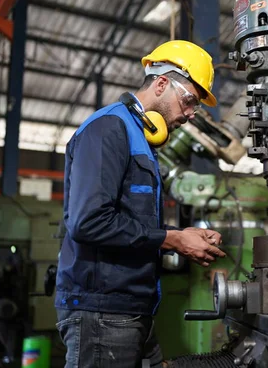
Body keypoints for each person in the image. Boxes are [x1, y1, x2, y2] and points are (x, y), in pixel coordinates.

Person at [54, 40, 226, 367]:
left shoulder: (139, 137)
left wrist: (180, 234)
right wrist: (172, 240)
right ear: (161, 83)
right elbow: (88, 221)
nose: (190, 115)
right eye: (189, 100)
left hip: (132, 308)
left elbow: (129, 220)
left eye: (196, 107)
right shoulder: (108, 129)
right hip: (102, 311)